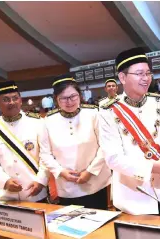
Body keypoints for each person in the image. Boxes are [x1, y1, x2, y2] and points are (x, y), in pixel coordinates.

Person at [98, 47, 160, 216]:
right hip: (133, 198)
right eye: (139, 74)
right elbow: (113, 159)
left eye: (148, 73)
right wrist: (153, 167)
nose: (145, 79)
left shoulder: (157, 102)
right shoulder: (108, 111)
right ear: (122, 77)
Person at [39, 75, 111, 209]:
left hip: (95, 181)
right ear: (56, 100)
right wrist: (60, 171)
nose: (69, 101)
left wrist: (90, 172)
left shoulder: (93, 114)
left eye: (73, 96)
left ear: (80, 95)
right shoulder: (48, 121)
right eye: (63, 98)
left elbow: (105, 146)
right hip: (67, 186)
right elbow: (45, 154)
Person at [0, 81, 49, 202]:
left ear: (20, 100)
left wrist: (41, 181)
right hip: (6, 195)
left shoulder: (37, 122)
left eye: (15, 98)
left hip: (35, 192)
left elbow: (46, 155)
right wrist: (5, 181)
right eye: (6, 99)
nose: (12, 102)